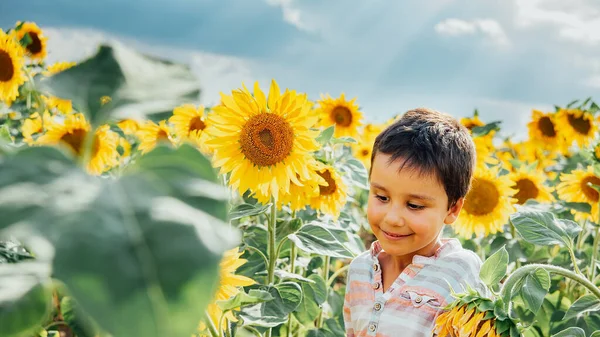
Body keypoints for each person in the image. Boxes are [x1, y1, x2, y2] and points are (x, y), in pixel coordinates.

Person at [343, 108, 488, 337]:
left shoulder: (459, 271)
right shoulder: (360, 270)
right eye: (382, 198)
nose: (392, 218)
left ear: (452, 209)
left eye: (414, 206)